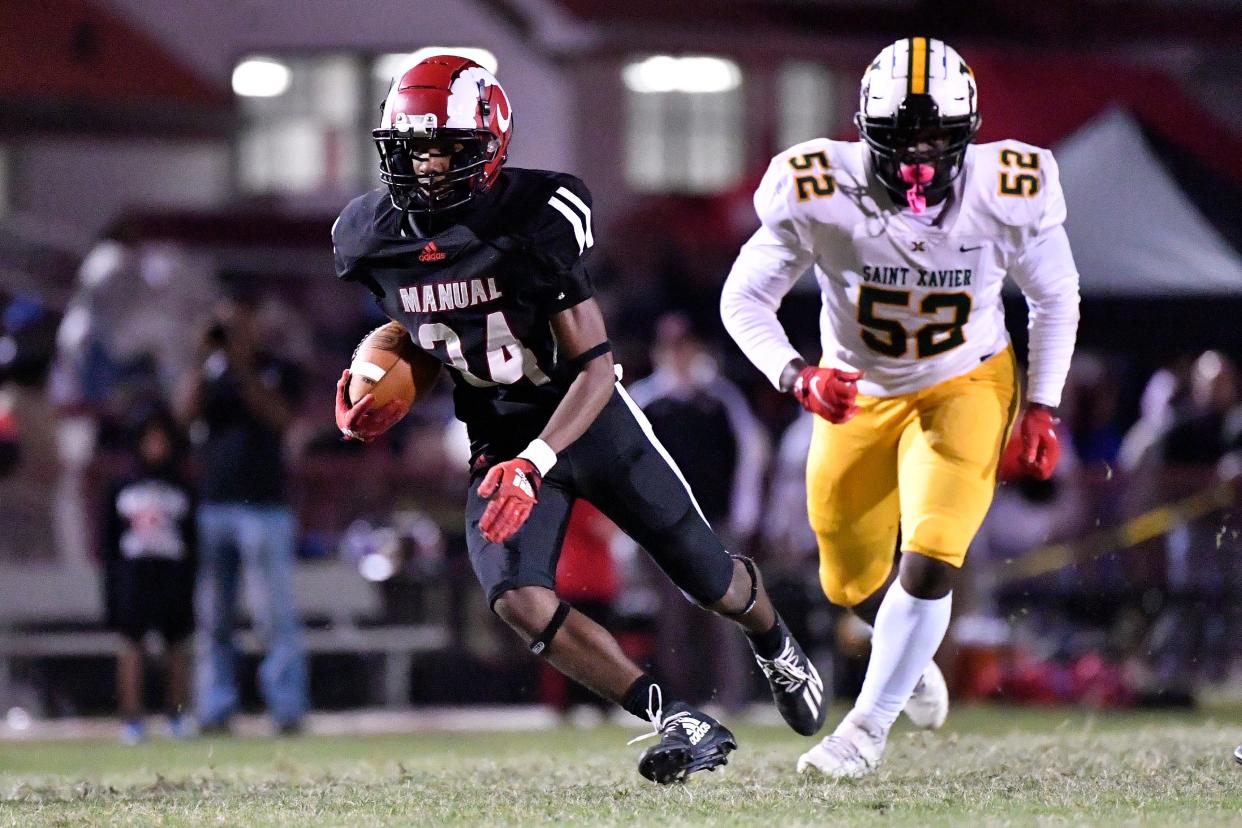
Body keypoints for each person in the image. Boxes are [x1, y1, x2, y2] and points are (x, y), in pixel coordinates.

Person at [332, 54, 825, 783]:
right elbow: (430, 331)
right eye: (412, 148)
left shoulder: (536, 214)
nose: (426, 166)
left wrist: (538, 461)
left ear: (488, 147)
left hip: (586, 422)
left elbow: (596, 366)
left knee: (709, 579)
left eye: (444, 149)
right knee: (518, 600)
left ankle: (775, 641)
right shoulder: (370, 234)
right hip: (499, 440)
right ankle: (674, 716)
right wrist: (379, 381)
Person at [721, 37, 1080, 777]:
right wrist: (795, 375)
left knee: (932, 555)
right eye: (900, 138)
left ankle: (864, 732)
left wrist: (1041, 404)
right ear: (864, 132)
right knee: (847, 582)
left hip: (965, 384)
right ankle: (903, 653)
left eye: (940, 137)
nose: (920, 156)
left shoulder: (1007, 185)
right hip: (858, 391)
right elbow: (744, 297)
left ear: (968, 133)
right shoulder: (819, 186)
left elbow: (1054, 296)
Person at [175, 290, 308, 735]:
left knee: (274, 615)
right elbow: (182, 416)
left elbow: (280, 419)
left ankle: (286, 709)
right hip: (215, 505)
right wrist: (200, 359)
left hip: (264, 507)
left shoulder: (274, 368)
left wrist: (244, 365)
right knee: (214, 617)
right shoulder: (210, 373)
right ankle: (215, 708)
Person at [626, 313, 769, 709]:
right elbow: (629, 466)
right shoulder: (645, 401)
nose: (680, 354)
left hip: (717, 523)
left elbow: (748, 459)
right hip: (665, 527)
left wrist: (744, 515)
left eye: (686, 346)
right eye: (672, 346)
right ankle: (683, 699)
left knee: (728, 612)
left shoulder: (720, 399)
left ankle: (731, 695)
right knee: (673, 618)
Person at [100, 405, 196, 744]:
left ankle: (178, 716)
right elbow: (109, 542)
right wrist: (111, 588)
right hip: (133, 575)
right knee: (131, 646)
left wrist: (189, 581)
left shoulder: (183, 487)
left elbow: (192, 539)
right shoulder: (122, 486)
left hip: (171, 574)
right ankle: (131, 720)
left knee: (177, 646)